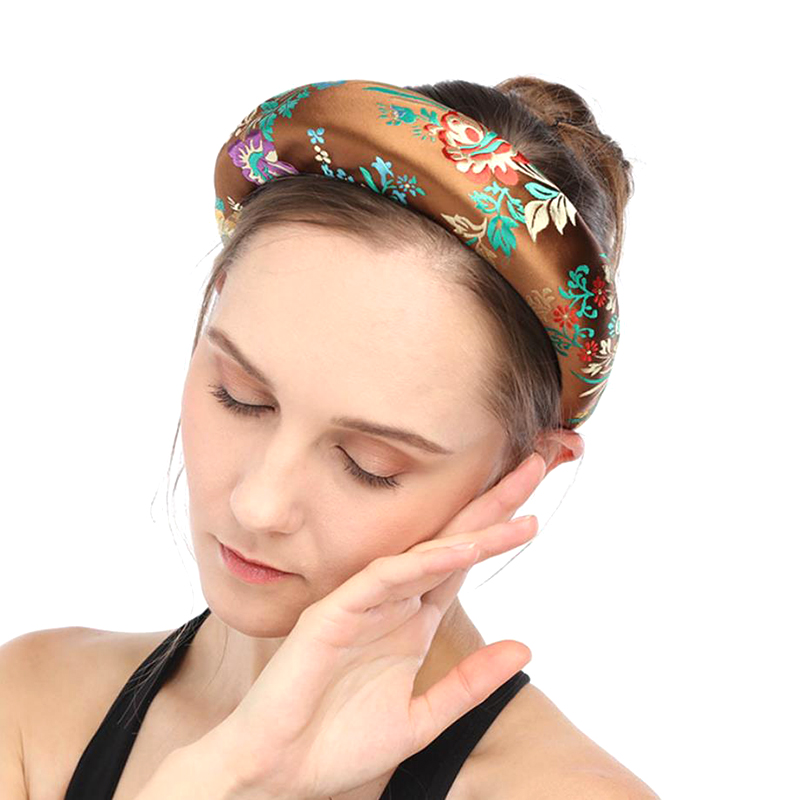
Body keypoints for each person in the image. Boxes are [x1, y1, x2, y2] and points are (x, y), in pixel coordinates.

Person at [0, 77, 659, 799]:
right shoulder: (31, 708)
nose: (258, 505)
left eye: (369, 464)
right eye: (241, 398)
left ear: (518, 475)